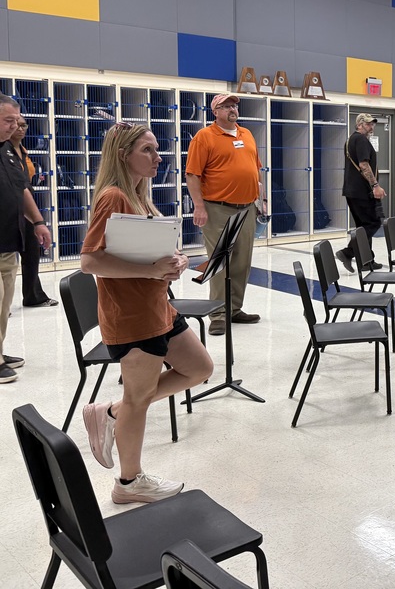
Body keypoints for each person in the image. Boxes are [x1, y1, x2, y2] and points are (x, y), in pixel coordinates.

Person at [80, 122, 214, 504]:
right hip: (133, 317)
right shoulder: (113, 197)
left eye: (157, 150)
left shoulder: (138, 195)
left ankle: (110, 413)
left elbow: (140, 252)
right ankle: (128, 483)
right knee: (139, 401)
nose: (158, 158)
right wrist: (151, 270)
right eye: (148, 151)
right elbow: (90, 261)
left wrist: (173, 260)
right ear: (124, 155)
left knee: (199, 368)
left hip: (157, 307)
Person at [184, 94, 263, 337]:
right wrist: (199, 206)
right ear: (215, 111)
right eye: (226, 106)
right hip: (217, 208)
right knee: (220, 261)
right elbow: (193, 175)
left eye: (235, 105)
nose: (233, 109)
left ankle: (234, 309)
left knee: (242, 261)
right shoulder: (204, 137)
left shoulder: (246, 134)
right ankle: (218, 314)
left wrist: (262, 200)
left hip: (247, 207)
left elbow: (256, 170)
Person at [0, 95, 52, 384]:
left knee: (5, 301)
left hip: (10, 240)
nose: (15, 126)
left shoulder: (8, 151)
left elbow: (22, 190)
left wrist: (39, 222)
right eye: (9, 120)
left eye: (16, 121)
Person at [10, 114, 57, 307]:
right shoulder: (5, 151)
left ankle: (33, 295)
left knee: (31, 250)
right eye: (16, 125)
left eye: (24, 125)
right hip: (8, 204)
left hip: (26, 203)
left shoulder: (23, 150)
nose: (20, 129)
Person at [336, 113, 387, 272]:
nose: (371, 127)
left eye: (372, 124)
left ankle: (367, 260)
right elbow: (364, 165)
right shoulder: (361, 140)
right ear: (359, 124)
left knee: (363, 226)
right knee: (373, 222)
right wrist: (376, 185)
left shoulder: (350, 139)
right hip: (361, 191)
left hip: (352, 191)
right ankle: (347, 252)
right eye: (368, 124)